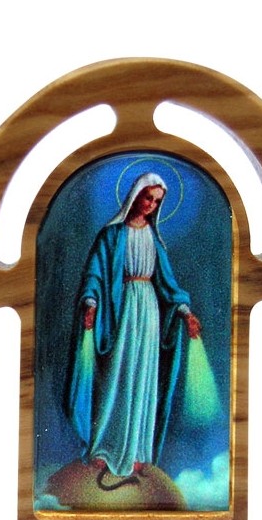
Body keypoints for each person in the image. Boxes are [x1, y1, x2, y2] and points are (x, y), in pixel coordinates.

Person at [64, 172, 201, 488]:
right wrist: (90, 303)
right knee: (117, 379)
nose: (151, 205)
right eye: (148, 198)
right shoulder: (111, 235)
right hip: (121, 311)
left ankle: (138, 452)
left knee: (142, 380)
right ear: (136, 195)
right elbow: (95, 274)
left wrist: (185, 313)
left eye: (157, 201)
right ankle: (104, 448)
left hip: (148, 313)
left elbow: (167, 284)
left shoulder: (154, 238)